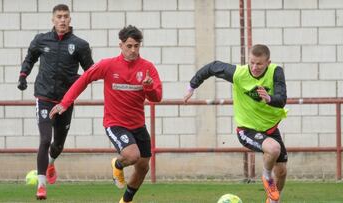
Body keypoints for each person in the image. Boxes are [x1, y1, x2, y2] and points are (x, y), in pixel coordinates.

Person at [49, 25, 162, 203]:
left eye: (137, 46)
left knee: (143, 167)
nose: (133, 50)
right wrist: (65, 102)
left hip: (138, 125)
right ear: (121, 45)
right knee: (132, 156)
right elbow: (84, 79)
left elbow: (157, 97)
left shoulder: (148, 68)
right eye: (129, 46)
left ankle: (125, 201)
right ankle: (117, 164)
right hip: (115, 123)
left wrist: (148, 86)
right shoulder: (108, 65)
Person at [184, 44, 288, 203]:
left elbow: (281, 99)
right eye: (252, 62)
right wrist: (192, 86)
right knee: (273, 149)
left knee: (281, 172)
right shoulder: (239, 73)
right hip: (247, 129)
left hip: (271, 128)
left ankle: (272, 201)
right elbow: (212, 67)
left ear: (268, 62)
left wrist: (269, 98)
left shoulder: (276, 72)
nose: (254, 67)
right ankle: (266, 176)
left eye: (259, 63)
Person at [17, 4, 94, 200]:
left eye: (65, 16)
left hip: (65, 101)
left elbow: (91, 72)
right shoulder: (41, 40)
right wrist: (23, 76)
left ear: (70, 20)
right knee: (45, 139)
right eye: (58, 16)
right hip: (43, 97)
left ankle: (51, 163)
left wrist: (76, 80)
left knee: (58, 145)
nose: (62, 20)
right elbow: (30, 58)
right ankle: (41, 186)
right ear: (53, 19)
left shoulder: (80, 45)